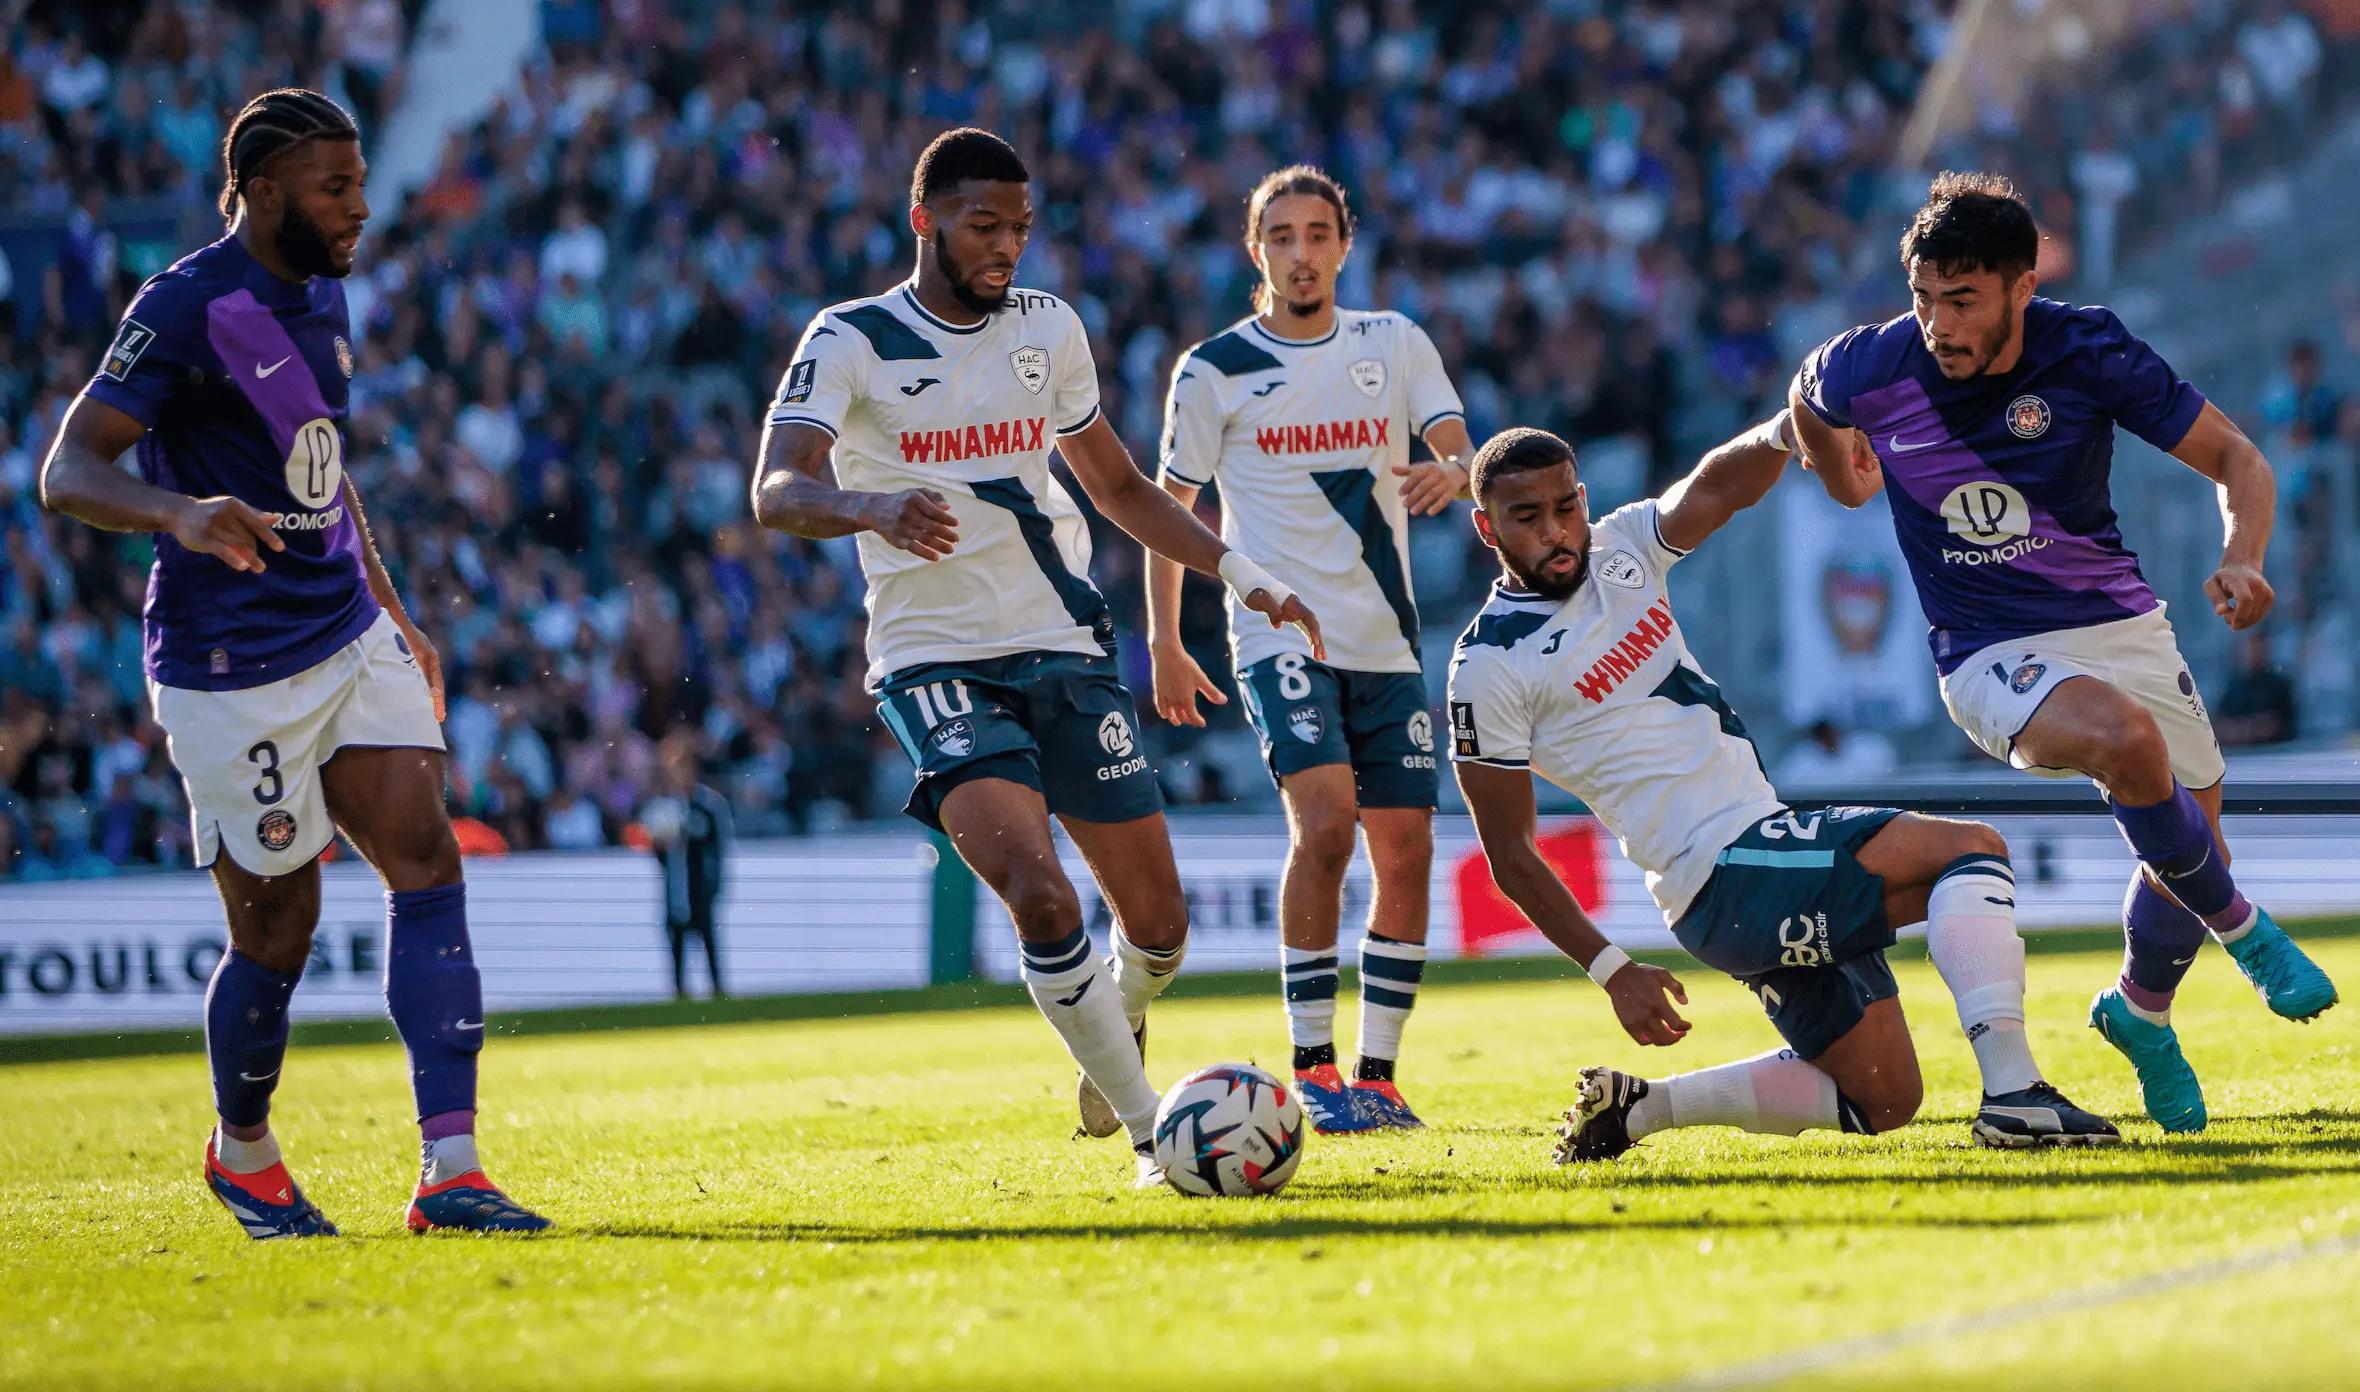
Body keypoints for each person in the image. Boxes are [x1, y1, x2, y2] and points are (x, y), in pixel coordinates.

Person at [750, 128, 1319, 1188]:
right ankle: (1159, 1140)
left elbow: (1115, 488)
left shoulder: (1048, 329)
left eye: (1018, 226)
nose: (1005, 246)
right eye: (982, 226)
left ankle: (1119, 1024)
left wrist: (1240, 575)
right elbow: (774, 492)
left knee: (1157, 928)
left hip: (1061, 645)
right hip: (933, 659)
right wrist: (870, 504)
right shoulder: (851, 338)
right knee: (1038, 894)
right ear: (922, 221)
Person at [36, 90, 546, 1237]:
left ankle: (452, 1172)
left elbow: (320, 467)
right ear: (264, 193)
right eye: (336, 188)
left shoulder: (325, 286)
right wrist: (179, 511)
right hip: (228, 666)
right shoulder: (184, 305)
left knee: (426, 860)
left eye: (360, 183)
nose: (361, 206)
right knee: (279, 930)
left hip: (344, 629)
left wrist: (394, 608)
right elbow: (66, 471)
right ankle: (245, 1151)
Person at [1788, 171, 2336, 1134]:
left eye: (1962, 302)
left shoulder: (2090, 350)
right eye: (1922, 300)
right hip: (1987, 650)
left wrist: (2242, 559)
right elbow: (1810, 398)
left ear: (2021, 289)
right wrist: (1842, 474)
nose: (1938, 326)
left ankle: (2141, 1012)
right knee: (2128, 743)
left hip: (2122, 624)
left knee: (2191, 820)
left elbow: (2239, 461)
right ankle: (2247, 932)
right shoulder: (1872, 364)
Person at [1447, 423, 2117, 1161]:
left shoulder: (1621, 552)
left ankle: (1639, 1110)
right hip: (1725, 871)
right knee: (1970, 852)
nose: (1557, 531)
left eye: (1566, 506)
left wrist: (1787, 428)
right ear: (1486, 527)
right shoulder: (1487, 666)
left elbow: (1715, 487)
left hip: (1759, 852)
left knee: (1885, 1098)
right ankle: (2016, 1097)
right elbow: (1508, 854)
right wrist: (1610, 969)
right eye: (1527, 517)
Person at [1147, 166, 1474, 1133]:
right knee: (1327, 825)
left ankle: (1379, 1075)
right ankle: (1313, 1067)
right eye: (1280, 236)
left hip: (1387, 641)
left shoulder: (1394, 342)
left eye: (1316, 234)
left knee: (1407, 849)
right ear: (1257, 251)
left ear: (1345, 241)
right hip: (1279, 633)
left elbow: (1454, 437)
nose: (1300, 252)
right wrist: (1165, 638)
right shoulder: (1215, 369)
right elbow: (1172, 512)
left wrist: (1455, 471)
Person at [644, 736, 731, 999]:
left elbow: (717, 848)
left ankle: (718, 992)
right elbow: (657, 852)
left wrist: (714, 885)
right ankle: (679, 994)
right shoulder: (663, 807)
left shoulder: (708, 805)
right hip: (675, 888)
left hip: (699, 887)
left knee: (708, 942)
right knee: (676, 943)